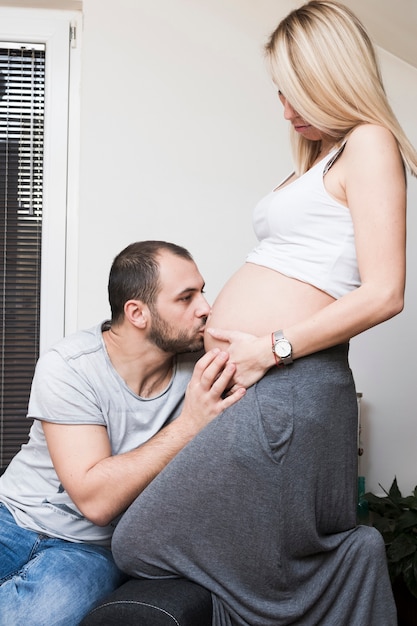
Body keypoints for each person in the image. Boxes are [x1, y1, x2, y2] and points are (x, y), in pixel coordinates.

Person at [111, 2, 417, 625]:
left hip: (291, 387)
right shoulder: (319, 159)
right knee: (141, 538)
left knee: (136, 539)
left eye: (295, 91)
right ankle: (345, 562)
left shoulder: (369, 142)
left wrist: (268, 347)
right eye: (280, 92)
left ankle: (351, 562)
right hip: (262, 387)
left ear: (333, 77)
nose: (284, 109)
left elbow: (385, 292)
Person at [0, 240, 246, 626]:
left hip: (89, 550)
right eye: (186, 298)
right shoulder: (70, 366)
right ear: (137, 313)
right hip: (12, 516)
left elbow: (97, 517)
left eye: (202, 291)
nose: (205, 308)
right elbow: (93, 496)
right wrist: (191, 424)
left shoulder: (202, 371)